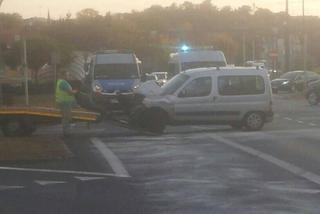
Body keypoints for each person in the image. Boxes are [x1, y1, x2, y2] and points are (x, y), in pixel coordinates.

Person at [55, 70, 78, 136]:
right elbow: (70, 92)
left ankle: (67, 130)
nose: (68, 76)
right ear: (63, 75)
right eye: (67, 75)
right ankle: (66, 132)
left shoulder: (60, 81)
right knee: (66, 117)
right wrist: (75, 91)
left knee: (66, 117)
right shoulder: (63, 83)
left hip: (64, 102)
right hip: (65, 103)